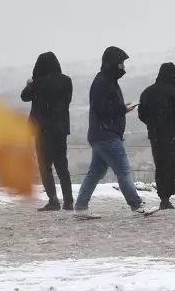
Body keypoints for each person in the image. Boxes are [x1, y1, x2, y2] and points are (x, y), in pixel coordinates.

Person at [74, 46, 153, 217]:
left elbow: (104, 107)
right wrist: (122, 109)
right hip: (106, 135)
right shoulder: (103, 82)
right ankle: (137, 205)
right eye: (121, 63)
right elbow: (102, 109)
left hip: (100, 134)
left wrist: (121, 108)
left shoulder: (105, 80)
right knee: (123, 170)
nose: (123, 67)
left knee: (95, 173)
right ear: (112, 64)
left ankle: (80, 206)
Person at [20, 51, 74, 211]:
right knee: (62, 167)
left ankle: (53, 200)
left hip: (42, 130)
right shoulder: (66, 81)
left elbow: (24, 96)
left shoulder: (38, 83)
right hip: (60, 130)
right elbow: (68, 100)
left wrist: (30, 84)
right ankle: (69, 201)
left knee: (45, 166)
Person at [137, 62, 175, 210]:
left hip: (155, 135)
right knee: (172, 165)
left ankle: (163, 195)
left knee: (160, 165)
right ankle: (166, 196)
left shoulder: (147, 92)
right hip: (172, 135)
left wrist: (152, 123)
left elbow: (141, 114)